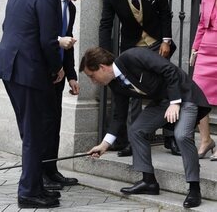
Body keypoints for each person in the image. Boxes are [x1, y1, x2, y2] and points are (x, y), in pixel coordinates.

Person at [80, 46, 211, 208]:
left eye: (92, 76)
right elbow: (119, 116)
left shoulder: (133, 56)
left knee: (182, 135)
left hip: (183, 95)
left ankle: (194, 188)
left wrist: (175, 102)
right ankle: (149, 182)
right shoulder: (115, 83)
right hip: (163, 102)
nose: (93, 81)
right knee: (136, 130)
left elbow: (169, 70)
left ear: (102, 67)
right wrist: (104, 145)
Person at [0, 0, 70, 208]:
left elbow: (9, 27)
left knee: (31, 132)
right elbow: (48, 40)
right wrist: (57, 67)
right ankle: (28, 193)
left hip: (10, 67)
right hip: (28, 71)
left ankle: (35, 186)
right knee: (34, 133)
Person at [99, 0, 177, 157]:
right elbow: (105, 25)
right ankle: (134, 141)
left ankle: (171, 137)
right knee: (132, 94)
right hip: (131, 48)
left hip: (158, 45)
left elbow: (165, 12)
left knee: (167, 89)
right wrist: (105, 56)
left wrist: (166, 40)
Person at [42, 0, 96, 190]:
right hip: (43, 73)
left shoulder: (70, 9)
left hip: (60, 75)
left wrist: (72, 75)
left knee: (54, 123)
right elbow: (44, 37)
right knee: (43, 125)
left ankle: (52, 171)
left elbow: (69, 44)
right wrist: (55, 67)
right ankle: (41, 174)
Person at [190, 0, 217, 161]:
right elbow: (201, 24)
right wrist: (194, 49)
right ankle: (206, 140)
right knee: (198, 96)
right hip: (205, 51)